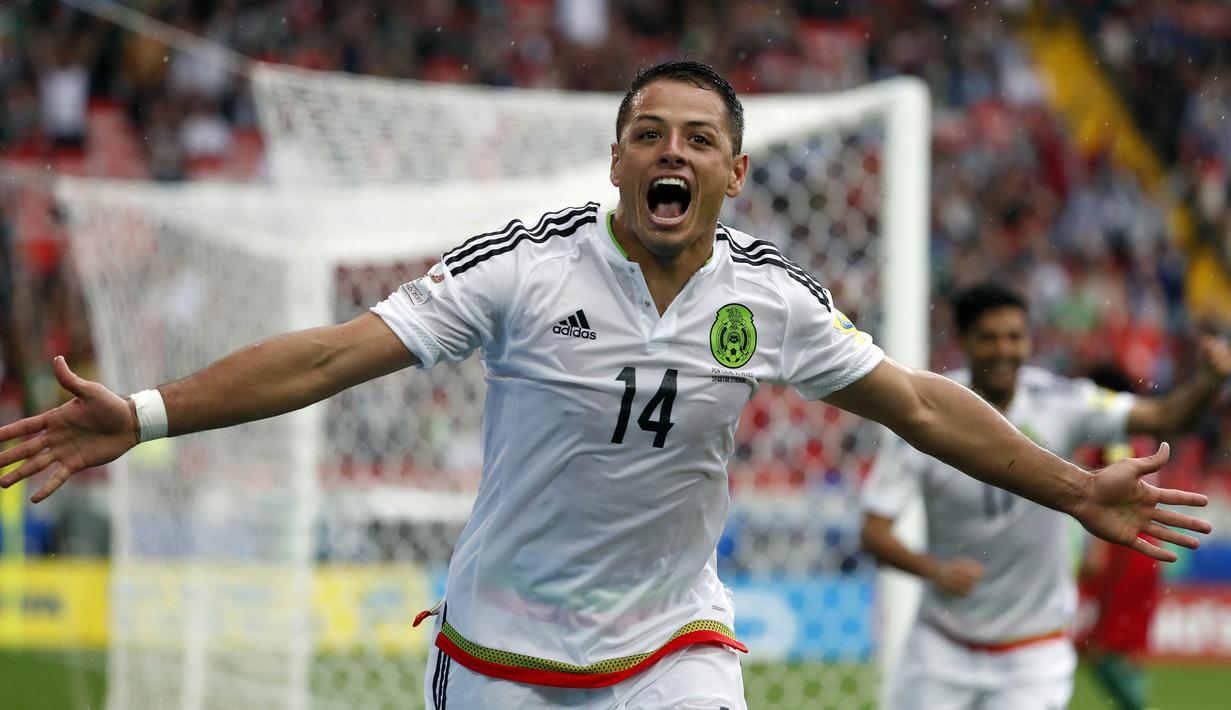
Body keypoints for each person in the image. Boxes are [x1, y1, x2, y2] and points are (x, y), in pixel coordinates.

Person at [0, 62, 1212, 710]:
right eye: (648, 133)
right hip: (500, 647)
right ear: (617, 158)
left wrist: (1069, 487)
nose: (669, 152)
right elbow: (329, 354)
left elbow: (919, 401)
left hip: (671, 640)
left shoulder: (769, 296)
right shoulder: (523, 266)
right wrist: (146, 413)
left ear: (735, 172)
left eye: (695, 137)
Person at [859, 284, 1231, 710]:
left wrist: (1210, 382)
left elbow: (1166, 417)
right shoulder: (920, 413)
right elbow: (873, 532)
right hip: (941, 644)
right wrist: (935, 570)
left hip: (1034, 652)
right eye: (989, 337)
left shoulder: (1060, 401)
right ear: (962, 341)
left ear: (1029, 341)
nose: (1004, 349)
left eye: (1015, 337)